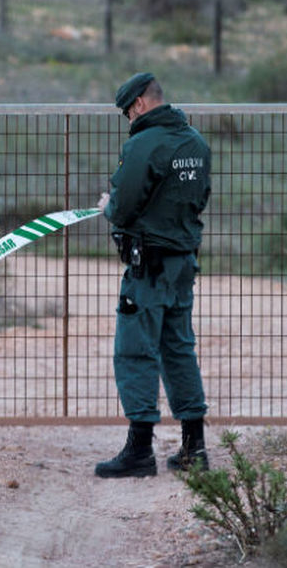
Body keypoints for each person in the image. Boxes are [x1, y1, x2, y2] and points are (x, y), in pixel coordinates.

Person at [95, 71, 211, 478]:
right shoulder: (196, 143)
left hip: (148, 268)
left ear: (140, 104)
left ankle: (140, 449)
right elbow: (200, 198)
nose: (129, 118)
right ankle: (194, 447)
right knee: (178, 348)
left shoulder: (143, 145)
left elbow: (124, 207)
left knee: (134, 351)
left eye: (128, 111)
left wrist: (109, 205)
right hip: (182, 262)